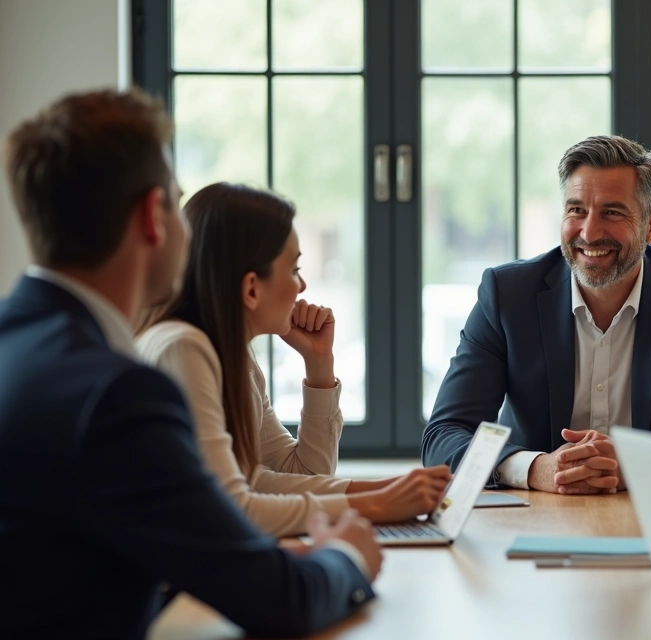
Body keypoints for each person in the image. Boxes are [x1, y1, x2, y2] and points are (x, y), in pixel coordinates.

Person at [0, 89, 380, 639]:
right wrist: (348, 556)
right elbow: (275, 599)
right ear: (153, 218)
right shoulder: (117, 395)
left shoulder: (20, 342)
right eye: (176, 204)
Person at [422, 135, 651, 493]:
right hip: (533, 514)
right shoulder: (507, 296)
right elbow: (443, 437)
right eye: (576, 210)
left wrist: (634, 464)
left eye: (612, 212)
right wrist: (534, 468)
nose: (589, 232)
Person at [138, 182, 452, 537]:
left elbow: (289, 476)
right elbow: (231, 508)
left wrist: (319, 366)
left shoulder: (233, 356)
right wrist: (377, 504)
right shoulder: (183, 348)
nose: (301, 287)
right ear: (252, 288)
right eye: (294, 270)